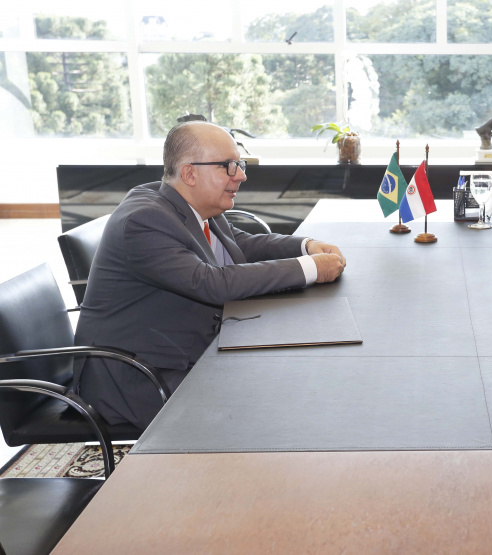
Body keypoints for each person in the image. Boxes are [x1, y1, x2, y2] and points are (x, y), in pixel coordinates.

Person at [75, 121, 346, 429]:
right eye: (229, 166)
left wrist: (305, 245)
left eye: (240, 164)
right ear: (190, 173)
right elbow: (211, 283)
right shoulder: (145, 221)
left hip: (180, 346)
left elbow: (238, 244)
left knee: (283, 377)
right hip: (139, 375)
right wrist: (312, 268)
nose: (241, 175)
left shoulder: (184, 201)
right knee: (266, 407)